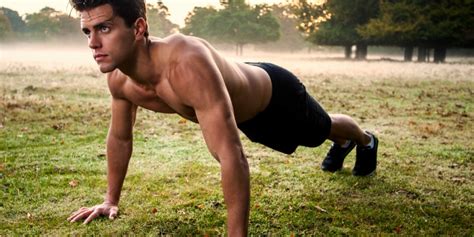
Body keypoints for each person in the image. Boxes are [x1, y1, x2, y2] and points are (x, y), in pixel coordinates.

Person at [66, 0, 378, 235]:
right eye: (87, 31)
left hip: (276, 96)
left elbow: (231, 155)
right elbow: (121, 138)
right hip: (240, 109)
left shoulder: (185, 63)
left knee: (322, 129)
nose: (93, 43)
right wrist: (110, 200)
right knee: (315, 136)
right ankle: (343, 143)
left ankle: (364, 141)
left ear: (138, 28)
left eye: (104, 28)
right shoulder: (120, 81)